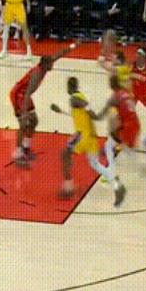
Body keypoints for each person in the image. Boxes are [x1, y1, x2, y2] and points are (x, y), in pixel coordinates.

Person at [56, 76, 126, 205]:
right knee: (94, 164)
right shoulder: (80, 96)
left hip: (83, 135)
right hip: (91, 136)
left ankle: (68, 188)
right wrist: (60, 111)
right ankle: (116, 183)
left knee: (65, 154)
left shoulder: (74, 98)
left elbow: (85, 107)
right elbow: (81, 113)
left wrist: (95, 114)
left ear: (70, 87)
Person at [10, 44, 77, 164]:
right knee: (24, 124)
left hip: (25, 95)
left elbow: (59, 54)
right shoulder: (37, 74)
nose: (53, 65)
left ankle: (26, 147)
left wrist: (73, 46)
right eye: (51, 64)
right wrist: (24, 112)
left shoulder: (45, 65)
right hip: (19, 95)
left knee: (34, 121)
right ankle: (18, 152)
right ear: (45, 64)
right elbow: (27, 93)